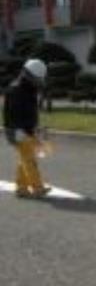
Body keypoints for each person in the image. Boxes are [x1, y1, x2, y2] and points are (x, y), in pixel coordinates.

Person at [3, 58, 51, 198]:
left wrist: (35, 127)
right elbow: (13, 113)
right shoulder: (16, 90)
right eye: (37, 79)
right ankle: (37, 188)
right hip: (17, 130)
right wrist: (21, 129)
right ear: (29, 75)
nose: (39, 82)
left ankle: (21, 187)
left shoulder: (28, 88)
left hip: (26, 129)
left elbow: (31, 111)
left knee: (25, 158)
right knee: (29, 159)